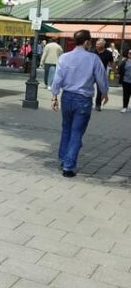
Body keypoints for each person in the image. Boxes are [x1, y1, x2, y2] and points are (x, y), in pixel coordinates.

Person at [50, 29, 109, 178]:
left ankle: (64, 158)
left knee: (66, 129)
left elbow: (57, 79)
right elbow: (101, 78)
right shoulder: (93, 58)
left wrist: (54, 96)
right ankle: (68, 166)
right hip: (83, 98)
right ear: (86, 42)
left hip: (67, 97)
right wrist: (104, 92)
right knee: (76, 132)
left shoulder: (64, 57)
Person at [90, 38, 115, 111]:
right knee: (87, 87)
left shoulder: (108, 53)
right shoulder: (92, 51)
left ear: (103, 45)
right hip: (91, 72)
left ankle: (98, 105)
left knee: (100, 89)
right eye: (96, 44)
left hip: (101, 73)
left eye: (98, 44)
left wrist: (115, 71)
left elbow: (111, 63)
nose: (96, 45)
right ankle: (88, 102)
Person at [119, 49, 131, 113]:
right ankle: (124, 107)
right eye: (129, 53)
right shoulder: (125, 61)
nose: (130, 54)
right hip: (126, 81)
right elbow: (120, 69)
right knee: (126, 95)